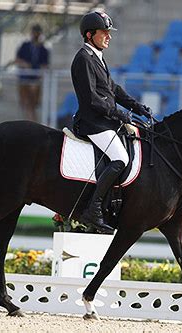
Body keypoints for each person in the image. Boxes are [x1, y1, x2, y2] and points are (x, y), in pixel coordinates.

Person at [71, 11, 151, 232]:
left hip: (104, 121)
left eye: (109, 32)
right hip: (92, 122)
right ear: (89, 35)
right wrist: (119, 114)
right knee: (121, 158)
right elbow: (92, 99)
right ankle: (93, 208)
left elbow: (112, 89)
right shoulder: (83, 59)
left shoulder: (97, 56)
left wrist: (136, 106)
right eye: (104, 32)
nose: (109, 36)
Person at [15, 24, 49, 122]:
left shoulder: (43, 49)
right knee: (26, 104)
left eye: (37, 32)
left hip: (35, 80)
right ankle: (28, 122)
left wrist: (36, 69)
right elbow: (18, 60)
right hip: (24, 79)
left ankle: (31, 122)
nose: (36, 35)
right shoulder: (25, 46)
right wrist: (25, 65)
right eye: (34, 32)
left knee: (32, 104)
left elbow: (45, 65)